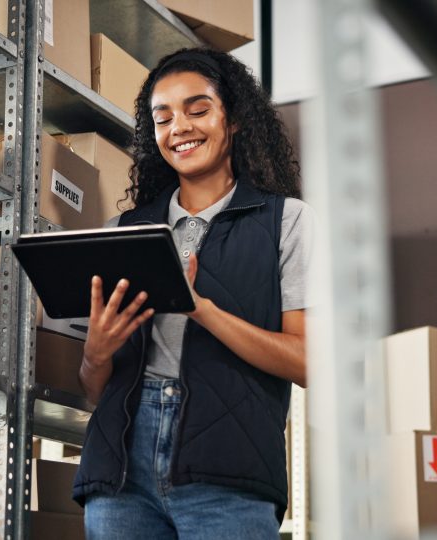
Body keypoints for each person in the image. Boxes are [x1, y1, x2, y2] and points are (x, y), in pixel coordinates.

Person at [72, 47, 312, 540]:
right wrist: (95, 355)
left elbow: (309, 362)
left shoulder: (285, 222)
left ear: (237, 117)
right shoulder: (124, 230)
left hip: (229, 466)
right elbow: (96, 391)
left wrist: (201, 310)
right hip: (119, 471)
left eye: (198, 110)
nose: (179, 127)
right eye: (163, 119)